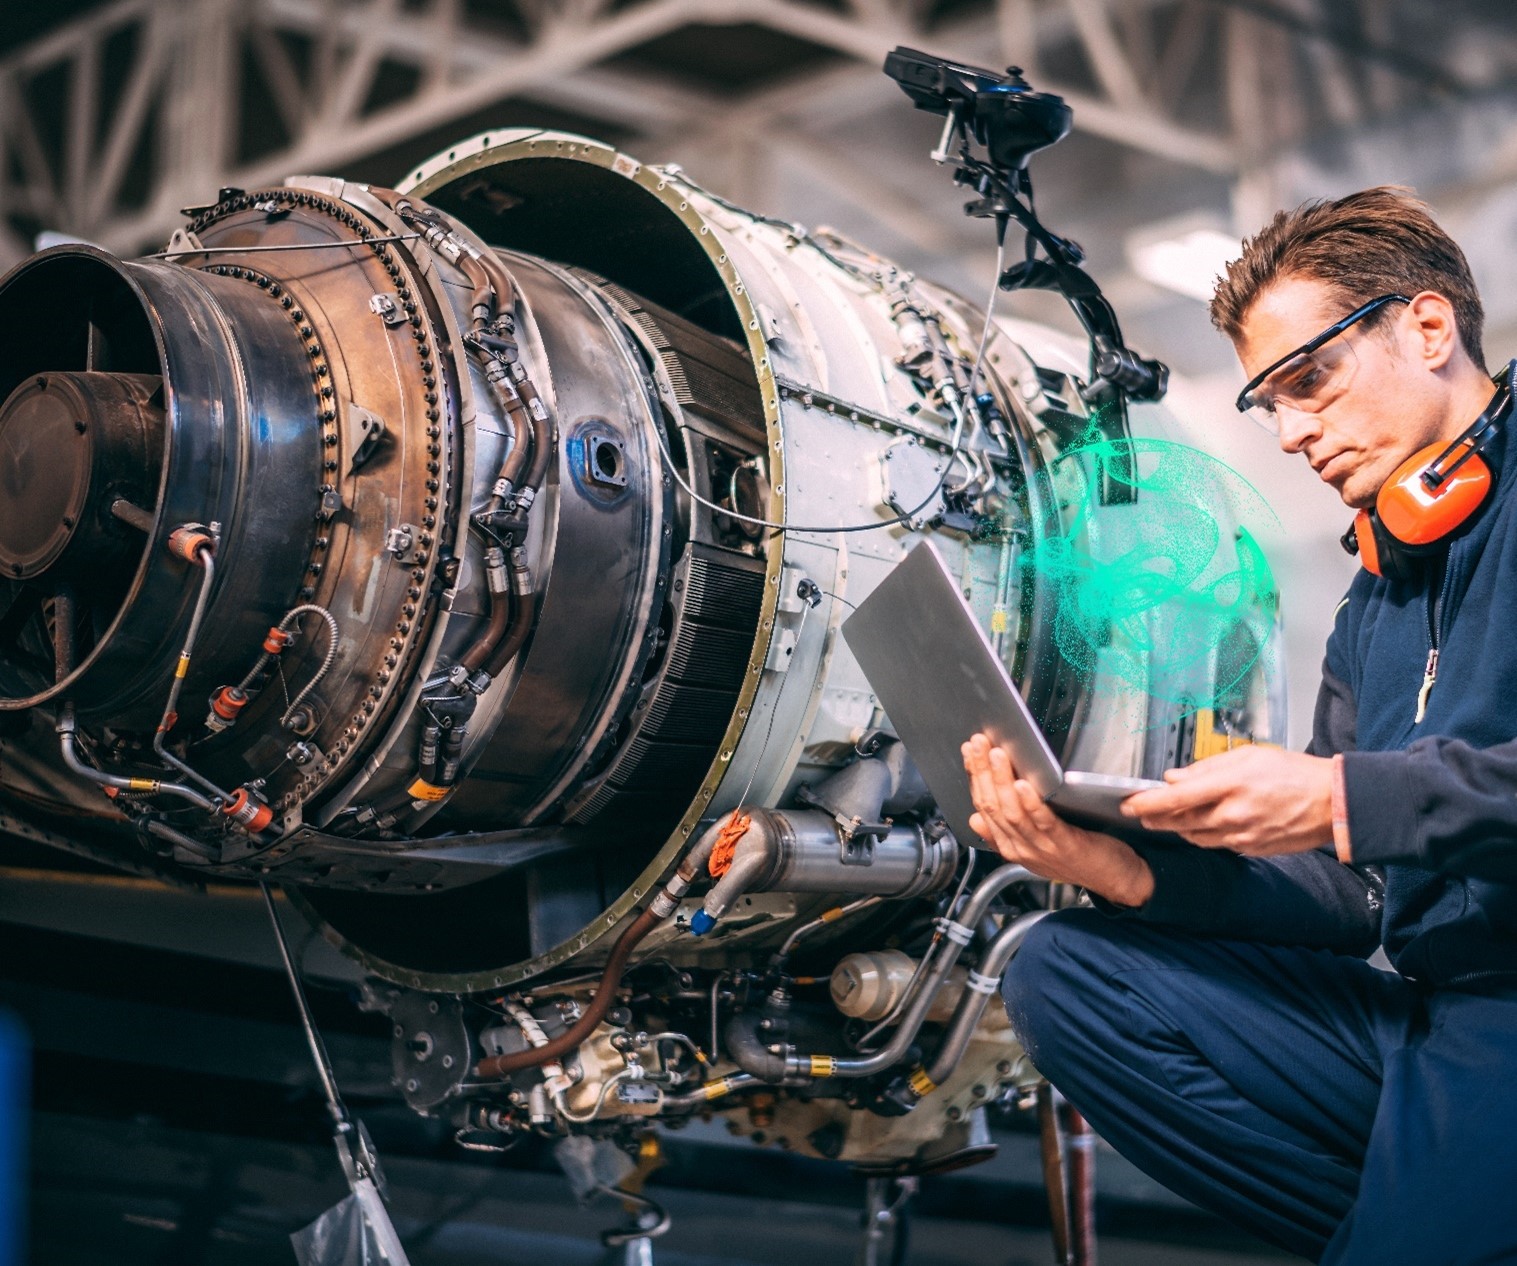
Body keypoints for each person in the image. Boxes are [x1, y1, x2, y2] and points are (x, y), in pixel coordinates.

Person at [962, 186, 1517, 1264]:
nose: (1292, 431)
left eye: (1308, 379)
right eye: (1269, 402)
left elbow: (1349, 810)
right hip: (1435, 1022)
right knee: (1063, 974)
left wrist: (1337, 797)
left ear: (1427, 325)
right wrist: (1120, 869)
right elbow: (1354, 896)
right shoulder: (1376, 599)